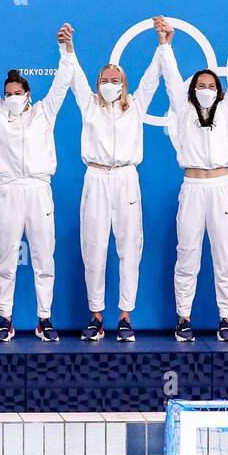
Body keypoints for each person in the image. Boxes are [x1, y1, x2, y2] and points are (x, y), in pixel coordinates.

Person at [155, 16, 228, 342]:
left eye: (212, 86)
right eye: (201, 85)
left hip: (221, 188)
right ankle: (183, 318)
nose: (207, 90)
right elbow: (170, 79)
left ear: (219, 92)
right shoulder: (183, 111)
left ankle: (226, 318)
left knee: (226, 255)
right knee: (188, 253)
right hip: (193, 188)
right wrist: (165, 45)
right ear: (192, 90)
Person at [0, 24, 76, 343]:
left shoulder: (45, 112)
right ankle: (5, 318)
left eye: (18, 93)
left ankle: (44, 318)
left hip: (38, 190)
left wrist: (66, 49)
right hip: (8, 190)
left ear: (28, 94)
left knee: (44, 256)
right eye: (9, 94)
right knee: (4, 255)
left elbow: (62, 82)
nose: (13, 98)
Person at [63, 30, 163, 343]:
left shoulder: (136, 105)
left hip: (126, 178)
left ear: (124, 85)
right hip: (95, 177)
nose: (110, 85)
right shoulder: (89, 105)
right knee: (93, 247)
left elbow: (152, 78)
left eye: (115, 80)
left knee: (129, 247)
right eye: (105, 80)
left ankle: (124, 317)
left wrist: (163, 44)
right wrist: (68, 48)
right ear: (98, 84)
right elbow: (75, 76)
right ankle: (96, 316)